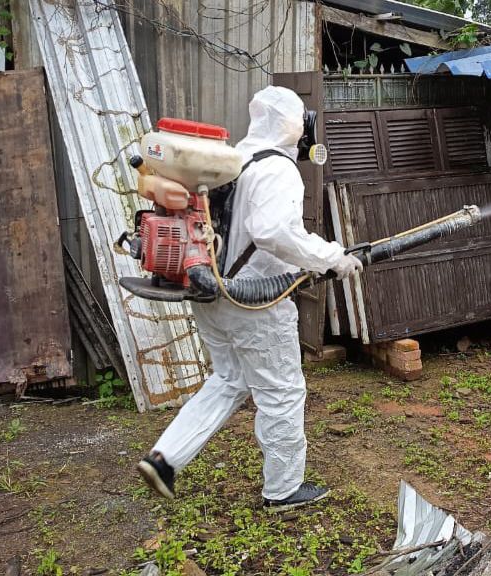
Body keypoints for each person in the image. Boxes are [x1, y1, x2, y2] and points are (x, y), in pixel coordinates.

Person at [136, 86, 364, 511]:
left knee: (228, 380)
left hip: (212, 293)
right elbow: (274, 232)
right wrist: (332, 256)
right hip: (254, 303)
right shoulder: (276, 169)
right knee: (281, 392)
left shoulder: (232, 160)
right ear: (294, 125)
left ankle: (164, 459)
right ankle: (284, 489)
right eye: (302, 123)